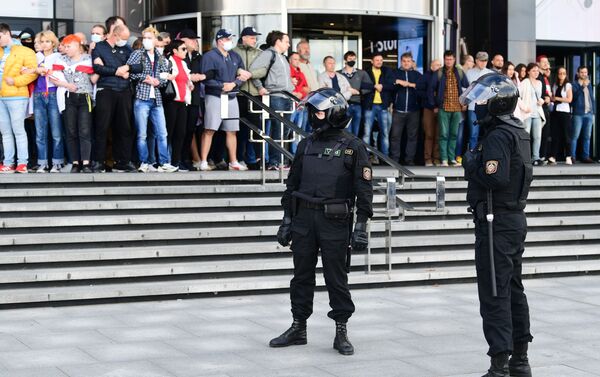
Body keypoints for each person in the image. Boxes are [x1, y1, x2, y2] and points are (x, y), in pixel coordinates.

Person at [271, 87, 373, 356]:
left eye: (318, 111)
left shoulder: (353, 147)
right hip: (304, 218)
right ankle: (298, 326)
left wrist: (361, 227)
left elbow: (364, 191)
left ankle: (341, 329)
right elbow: (292, 185)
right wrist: (287, 220)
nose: (313, 116)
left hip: (335, 221)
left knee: (336, 278)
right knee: (301, 276)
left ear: (333, 113)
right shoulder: (307, 144)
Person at [460, 72, 533, 377]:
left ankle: (499, 365)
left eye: (482, 100)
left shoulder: (498, 135)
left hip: (497, 222)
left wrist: (471, 164)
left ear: (496, 103)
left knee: (495, 293)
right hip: (512, 219)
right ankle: (519, 359)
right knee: (513, 289)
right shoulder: (518, 131)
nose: (477, 106)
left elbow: (495, 177)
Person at [127, 26, 178, 173]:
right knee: (142, 133)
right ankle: (144, 162)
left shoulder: (160, 58)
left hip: (156, 99)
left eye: (150, 38)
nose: (147, 41)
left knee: (162, 133)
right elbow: (131, 72)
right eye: (145, 38)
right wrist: (146, 78)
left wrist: (157, 81)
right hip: (142, 98)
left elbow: (164, 77)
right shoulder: (137, 54)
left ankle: (164, 162)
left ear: (156, 40)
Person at [198, 28, 251, 171]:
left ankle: (233, 161)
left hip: (231, 96)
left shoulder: (234, 56)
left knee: (232, 130)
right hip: (215, 96)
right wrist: (222, 85)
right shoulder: (209, 56)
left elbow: (243, 74)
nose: (230, 41)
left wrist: (234, 84)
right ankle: (203, 161)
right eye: (228, 39)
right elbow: (205, 79)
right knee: (210, 129)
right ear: (220, 41)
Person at [92, 24, 141, 173]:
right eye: (124, 38)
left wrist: (128, 68)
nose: (125, 41)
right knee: (101, 127)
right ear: (116, 35)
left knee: (124, 128)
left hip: (124, 91)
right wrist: (116, 71)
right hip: (106, 90)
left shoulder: (127, 49)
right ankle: (99, 161)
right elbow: (98, 68)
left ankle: (123, 161)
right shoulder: (99, 47)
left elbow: (139, 66)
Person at [49, 34, 97, 173]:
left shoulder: (88, 59)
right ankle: (76, 162)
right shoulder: (61, 59)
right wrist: (67, 85)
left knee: (85, 130)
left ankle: (86, 163)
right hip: (68, 97)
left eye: (69, 46)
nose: (66, 49)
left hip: (84, 97)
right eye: (64, 46)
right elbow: (53, 77)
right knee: (71, 131)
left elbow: (94, 76)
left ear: (77, 46)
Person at [249, 30, 295, 170]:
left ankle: (279, 160)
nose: (288, 44)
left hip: (286, 96)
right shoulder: (268, 54)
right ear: (278, 41)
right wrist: (260, 87)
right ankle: (274, 162)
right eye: (286, 41)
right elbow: (252, 70)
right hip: (275, 96)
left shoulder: (283, 57)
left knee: (284, 131)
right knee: (278, 130)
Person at [0, 23, 38, 173]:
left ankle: (22, 163)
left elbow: (32, 73)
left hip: (16, 96)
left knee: (18, 130)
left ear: (7, 33)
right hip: (1, 96)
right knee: (5, 132)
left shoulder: (25, 51)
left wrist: (15, 81)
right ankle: (8, 163)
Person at [429, 50, 470, 167]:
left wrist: (465, 103)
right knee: (443, 134)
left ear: (454, 60)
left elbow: (467, 88)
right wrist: (434, 105)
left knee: (453, 134)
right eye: (447, 59)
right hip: (443, 108)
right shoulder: (439, 72)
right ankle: (444, 159)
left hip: (457, 108)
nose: (449, 61)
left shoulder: (460, 72)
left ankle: (451, 158)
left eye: (451, 59)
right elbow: (431, 90)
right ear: (444, 60)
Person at [33, 30, 65, 173]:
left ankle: (57, 162)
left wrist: (45, 70)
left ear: (53, 43)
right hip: (38, 94)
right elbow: (26, 71)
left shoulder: (59, 57)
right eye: (41, 42)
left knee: (56, 131)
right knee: (40, 132)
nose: (44, 44)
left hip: (53, 94)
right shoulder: (35, 57)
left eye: (47, 41)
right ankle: (42, 162)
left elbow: (60, 74)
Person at [232, 26, 263, 169]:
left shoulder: (260, 53)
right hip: (239, 95)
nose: (254, 40)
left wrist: (250, 74)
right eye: (251, 37)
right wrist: (239, 72)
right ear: (243, 38)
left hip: (256, 95)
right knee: (240, 130)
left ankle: (257, 160)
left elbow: (263, 70)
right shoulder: (233, 52)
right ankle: (240, 158)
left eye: (255, 38)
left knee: (257, 130)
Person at [178, 29, 207, 171]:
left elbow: (208, 71)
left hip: (195, 98)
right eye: (192, 39)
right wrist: (190, 77)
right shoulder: (178, 55)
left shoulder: (197, 56)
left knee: (190, 130)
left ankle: (186, 158)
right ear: (184, 40)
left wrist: (202, 76)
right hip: (181, 98)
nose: (196, 42)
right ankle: (178, 159)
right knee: (181, 130)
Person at [164, 40, 193, 172]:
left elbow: (186, 78)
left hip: (182, 102)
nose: (185, 51)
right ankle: (165, 161)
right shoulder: (168, 61)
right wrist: (168, 76)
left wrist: (190, 83)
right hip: (171, 101)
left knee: (180, 133)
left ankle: (176, 161)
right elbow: (160, 74)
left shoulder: (184, 63)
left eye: (186, 49)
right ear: (175, 50)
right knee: (168, 132)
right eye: (183, 49)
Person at [390, 52, 422, 165]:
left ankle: (409, 160)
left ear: (412, 62)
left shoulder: (417, 75)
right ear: (401, 62)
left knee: (412, 137)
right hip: (398, 110)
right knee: (395, 136)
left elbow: (422, 87)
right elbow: (389, 83)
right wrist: (397, 81)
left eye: (408, 61)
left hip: (414, 110)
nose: (406, 63)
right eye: (404, 61)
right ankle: (394, 160)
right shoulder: (395, 73)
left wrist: (410, 84)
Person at [363, 53, 394, 158]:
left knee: (385, 133)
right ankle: (365, 157)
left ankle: (385, 157)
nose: (379, 62)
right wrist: (374, 86)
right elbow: (361, 85)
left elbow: (392, 85)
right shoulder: (366, 71)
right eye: (377, 60)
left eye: (381, 60)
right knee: (367, 133)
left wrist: (383, 86)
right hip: (369, 106)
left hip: (383, 106)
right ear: (372, 61)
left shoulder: (387, 71)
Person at [338, 51, 372, 136]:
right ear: (345, 60)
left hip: (357, 105)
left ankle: (353, 149)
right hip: (344, 105)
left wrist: (359, 92)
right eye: (350, 59)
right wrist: (347, 92)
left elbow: (370, 87)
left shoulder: (361, 73)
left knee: (356, 132)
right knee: (346, 131)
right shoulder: (338, 73)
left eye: (354, 59)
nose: (352, 61)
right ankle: (346, 148)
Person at [465, 52, 493, 150]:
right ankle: (472, 155)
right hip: (473, 107)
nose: (483, 63)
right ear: (476, 60)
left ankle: (487, 154)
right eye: (481, 60)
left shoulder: (490, 73)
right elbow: (465, 89)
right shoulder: (469, 73)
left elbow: (493, 90)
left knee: (488, 132)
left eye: (485, 61)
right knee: (474, 133)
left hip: (486, 108)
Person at [519, 63, 545, 165]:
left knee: (537, 136)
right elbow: (518, 96)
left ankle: (535, 157)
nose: (536, 73)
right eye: (533, 70)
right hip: (527, 113)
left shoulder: (539, 82)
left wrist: (542, 100)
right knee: (526, 136)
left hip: (537, 112)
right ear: (528, 71)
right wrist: (524, 108)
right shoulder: (524, 82)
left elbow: (541, 96)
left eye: (537, 71)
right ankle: (525, 157)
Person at [418, 59, 442, 166]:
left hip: (441, 109)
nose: (438, 66)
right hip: (428, 109)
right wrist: (431, 98)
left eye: (440, 65)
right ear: (431, 66)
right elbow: (419, 91)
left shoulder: (443, 76)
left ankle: (436, 158)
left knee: (438, 134)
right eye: (436, 64)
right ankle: (427, 158)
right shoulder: (425, 77)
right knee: (429, 134)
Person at [570, 65, 595, 164]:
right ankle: (572, 156)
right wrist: (582, 87)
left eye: (585, 72)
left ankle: (586, 156)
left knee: (587, 136)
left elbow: (591, 98)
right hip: (578, 114)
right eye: (582, 72)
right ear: (578, 73)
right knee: (575, 136)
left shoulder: (589, 84)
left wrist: (593, 112)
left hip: (589, 113)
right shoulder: (574, 84)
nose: (584, 74)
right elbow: (573, 98)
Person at [549, 66, 572, 165]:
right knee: (555, 135)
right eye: (560, 73)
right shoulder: (555, 85)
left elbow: (569, 99)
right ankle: (553, 156)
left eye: (563, 73)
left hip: (565, 112)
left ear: (566, 74)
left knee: (566, 135)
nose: (562, 75)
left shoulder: (568, 85)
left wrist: (557, 98)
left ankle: (568, 156)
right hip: (555, 112)